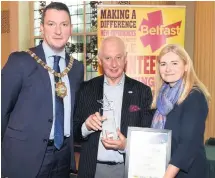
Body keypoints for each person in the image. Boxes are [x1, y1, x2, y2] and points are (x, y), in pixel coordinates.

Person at [1, 2, 84, 178]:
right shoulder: (21, 61)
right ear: (42, 28)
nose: (58, 31)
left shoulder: (76, 68)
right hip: (24, 157)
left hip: (62, 157)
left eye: (64, 24)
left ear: (71, 28)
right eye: (51, 24)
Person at [73, 36, 153, 178]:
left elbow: (147, 138)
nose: (114, 64)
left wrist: (126, 146)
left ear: (126, 58)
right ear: (100, 60)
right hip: (92, 170)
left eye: (118, 57)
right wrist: (86, 126)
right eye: (108, 58)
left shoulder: (142, 91)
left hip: (128, 170)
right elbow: (74, 131)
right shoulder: (86, 89)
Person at [151, 44, 210, 178]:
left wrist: (167, 176)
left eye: (174, 63)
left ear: (186, 66)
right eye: (163, 64)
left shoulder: (194, 96)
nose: (168, 69)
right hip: (163, 168)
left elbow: (188, 145)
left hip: (186, 173)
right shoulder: (162, 98)